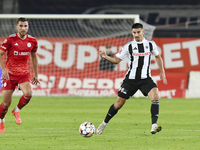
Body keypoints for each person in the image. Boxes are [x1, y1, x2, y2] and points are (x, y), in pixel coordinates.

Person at [96, 23, 167, 135]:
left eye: (138, 32)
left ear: (143, 32)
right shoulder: (128, 46)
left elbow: (158, 56)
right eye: (134, 32)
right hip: (130, 80)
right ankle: (104, 123)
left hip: (145, 79)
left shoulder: (150, 44)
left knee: (155, 96)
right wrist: (105, 57)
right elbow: (117, 60)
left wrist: (162, 72)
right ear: (132, 33)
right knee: (118, 104)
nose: (136, 34)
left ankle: (154, 125)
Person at [0, 17, 40, 133]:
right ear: (17, 27)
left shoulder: (32, 41)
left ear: (28, 27)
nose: (23, 28)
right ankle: (1, 120)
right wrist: (4, 70)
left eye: (25, 26)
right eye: (21, 26)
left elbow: (34, 57)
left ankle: (17, 110)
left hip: (23, 74)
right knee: (6, 104)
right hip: (10, 74)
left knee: (28, 93)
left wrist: (36, 75)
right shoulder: (10, 39)